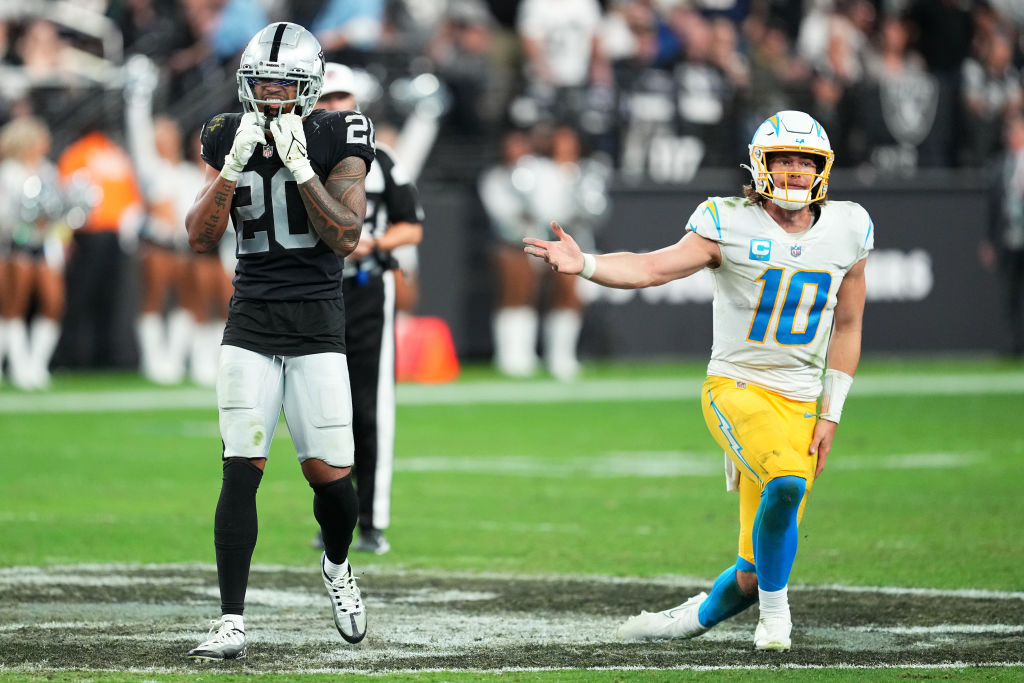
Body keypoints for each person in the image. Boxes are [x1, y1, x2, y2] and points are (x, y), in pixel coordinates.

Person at [524, 110, 872, 651]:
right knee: (787, 481)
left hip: (802, 400)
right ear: (760, 165)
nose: (797, 171)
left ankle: (682, 622)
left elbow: (847, 324)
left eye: (807, 161)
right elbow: (650, 268)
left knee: (752, 575)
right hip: (737, 386)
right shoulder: (726, 220)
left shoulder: (849, 227)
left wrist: (832, 411)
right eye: (784, 160)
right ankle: (778, 622)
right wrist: (586, 263)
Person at [183, 22, 376, 661]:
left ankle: (338, 565)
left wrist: (299, 166)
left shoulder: (339, 132)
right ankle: (231, 619)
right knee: (241, 467)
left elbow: (346, 234)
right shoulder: (222, 133)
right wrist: (233, 166)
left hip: (318, 323)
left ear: (310, 87)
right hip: (251, 321)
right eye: (261, 84)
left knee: (333, 483)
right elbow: (199, 234)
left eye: (283, 85)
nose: (270, 96)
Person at [310, 61, 425, 555]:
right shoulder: (300, 155)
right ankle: (333, 519)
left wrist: (371, 244)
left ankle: (373, 521)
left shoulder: (383, 158)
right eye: (325, 99)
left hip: (367, 287)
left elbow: (412, 226)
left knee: (370, 409)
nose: (334, 107)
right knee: (320, 411)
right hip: (315, 286)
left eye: (342, 98)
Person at [0, 116, 66, 389]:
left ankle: (36, 364)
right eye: (41, 138)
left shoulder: (49, 170)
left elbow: (59, 211)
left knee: (53, 302)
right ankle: (19, 365)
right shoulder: (9, 172)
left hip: (46, 243)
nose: (46, 143)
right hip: (14, 243)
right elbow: (4, 215)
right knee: (13, 305)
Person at [982, 112, 1024, 357]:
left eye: (1017, 131)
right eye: (1010, 132)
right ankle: (1013, 345)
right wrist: (990, 239)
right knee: (1010, 292)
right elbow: (994, 206)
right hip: (1009, 238)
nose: (1012, 136)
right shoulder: (1001, 166)